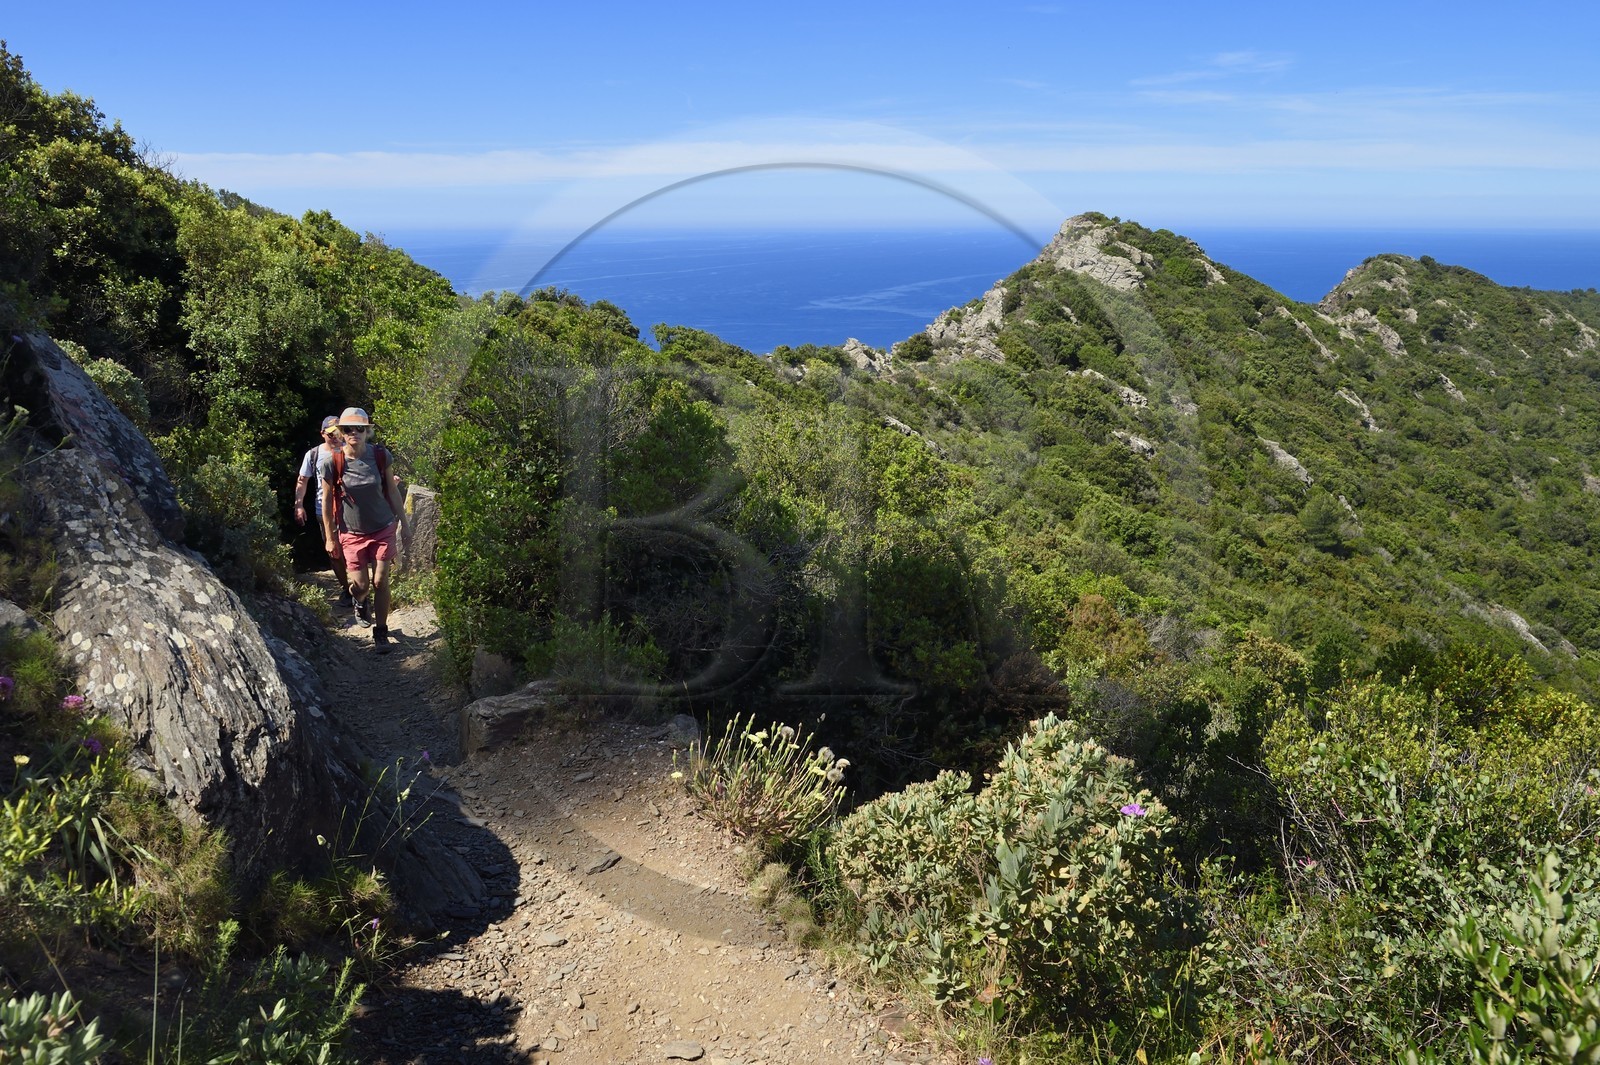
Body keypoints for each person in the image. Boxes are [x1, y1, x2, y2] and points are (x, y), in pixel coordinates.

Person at [320, 407, 405, 654]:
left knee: (380, 580)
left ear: (367, 432)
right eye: (348, 429)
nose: (354, 433)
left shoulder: (380, 456)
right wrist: (330, 537)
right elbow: (326, 502)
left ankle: (381, 632)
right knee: (361, 585)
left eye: (360, 428)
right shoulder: (332, 463)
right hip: (351, 533)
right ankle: (359, 600)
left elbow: (392, 491)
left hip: (383, 527)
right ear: (341, 433)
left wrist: (406, 524)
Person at [294, 416, 351, 603]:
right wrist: (299, 505)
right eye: (331, 433)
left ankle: (361, 590)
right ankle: (347, 589)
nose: (335, 437)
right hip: (324, 511)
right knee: (334, 552)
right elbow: (302, 481)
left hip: (351, 509)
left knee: (355, 551)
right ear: (322, 434)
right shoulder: (313, 455)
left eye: (338, 432)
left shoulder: (351, 451)